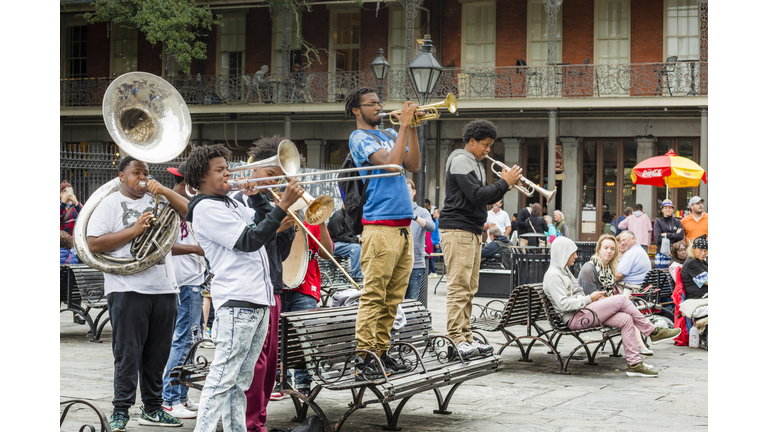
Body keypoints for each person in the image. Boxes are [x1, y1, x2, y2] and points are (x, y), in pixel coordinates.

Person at [184, 144, 304, 432]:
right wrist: (282, 205)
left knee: (241, 380)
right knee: (223, 377)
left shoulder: (233, 204)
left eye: (228, 167)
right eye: (220, 170)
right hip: (238, 300)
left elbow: (264, 229)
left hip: (258, 299)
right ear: (201, 176)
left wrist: (260, 199)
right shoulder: (205, 208)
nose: (228, 173)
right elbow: (249, 241)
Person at [87, 156, 190, 430]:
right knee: (127, 353)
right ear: (122, 176)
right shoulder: (108, 204)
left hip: (164, 287)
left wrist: (165, 190)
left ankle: (153, 409)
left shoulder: (159, 201)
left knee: (158, 353)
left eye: (146, 173)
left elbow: (189, 213)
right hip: (127, 288)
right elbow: (94, 244)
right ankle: (120, 410)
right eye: (136, 173)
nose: (143, 178)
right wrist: (134, 231)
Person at [345, 87, 420, 378]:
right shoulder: (359, 138)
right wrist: (403, 124)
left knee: (393, 297)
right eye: (371, 104)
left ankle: (382, 352)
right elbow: (391, 165)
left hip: (403, 228)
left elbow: (412, 164)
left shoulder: (390, 135)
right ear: (356, 110)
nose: (378, 107)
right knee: (374, 295)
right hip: (379, 227)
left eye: (379, 102)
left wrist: (411, 128)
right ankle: (364, 357)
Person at [230, 136, 298, 431]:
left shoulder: (274, 203)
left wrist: (286, 229)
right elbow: (246, 244)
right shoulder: (234, 201)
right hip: (247, 290)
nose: (274, 183)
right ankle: (249, 423)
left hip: (273, 286)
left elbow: (279, 254)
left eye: (280, 178)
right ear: (254, 168)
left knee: (270, 363)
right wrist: (273, 220)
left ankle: (258, 418)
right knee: (254, 362)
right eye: (271, 175)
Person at [439, 119, 522, 359]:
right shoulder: (460, 160)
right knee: (459, 287)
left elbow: (483, 198)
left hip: (471, 231)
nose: (488, 150)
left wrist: (503, 186)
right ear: (471, 141)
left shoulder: (474, 162)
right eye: (485, 145)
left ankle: (466, 338)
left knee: (469, 288)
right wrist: (504, 183)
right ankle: (455, 339)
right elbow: (477, 195)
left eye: (490, 146)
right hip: (458, 230)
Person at [543, 237, 680, 377]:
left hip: (584, 312)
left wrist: (595, 300)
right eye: (572, 253)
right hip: (575, 318)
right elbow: (563, 304)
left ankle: (635, 365)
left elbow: (576, 296)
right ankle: (652, 331)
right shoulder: (554, 276)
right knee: (621, 299)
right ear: (562, 253)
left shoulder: (564, 271)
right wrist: (590, 298)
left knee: (626, 319)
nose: (576, 256)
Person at [281, 218, 334, 397]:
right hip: (277, 286)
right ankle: (281, 380)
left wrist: (321, 223)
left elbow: (327, 253)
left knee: (304, 338)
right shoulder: (272, 219)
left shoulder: (308, 224)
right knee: (277, 338)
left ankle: (303, 383)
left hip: (304, 287)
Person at [579, 233, 655, 357]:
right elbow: (590, 299)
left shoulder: (609, 269)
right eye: (606, 248)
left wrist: (619, 297)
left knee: (627, 316)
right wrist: (618, 299)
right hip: (589, 313)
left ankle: (635, 359)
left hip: (603, 310)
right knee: (626, 306)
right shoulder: (589, 268)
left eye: (612, 249)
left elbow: (610, 294)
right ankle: (651, 333)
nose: (609, 251)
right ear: (599, 249)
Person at [405, 179, 435, 300]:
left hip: (416, 263)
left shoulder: (422, 212)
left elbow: (431, 227)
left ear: (414, 192)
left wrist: (415, 217)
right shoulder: (394, 210)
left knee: (412, 301)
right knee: (395, 302)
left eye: (408, 190)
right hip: (397, 264)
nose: (405, 194)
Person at [327, 205, 364, 282]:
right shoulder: (337, 217)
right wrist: (357, 240)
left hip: (340, 243)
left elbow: (349, 234)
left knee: (360, 246)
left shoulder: (348, 216)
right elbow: (341, 237)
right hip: (333, 245)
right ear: (344, 205)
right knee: (356, 248)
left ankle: (362, 273)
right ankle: (356, 276)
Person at [615, 231, 651, 296]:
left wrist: (607, 281)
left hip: (631, 288)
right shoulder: (639, 250)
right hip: (639, 287)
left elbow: (619, 275)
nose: (622, 243)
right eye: (621, 241)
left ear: (632, 239)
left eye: (624, 240)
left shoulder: (631, 253)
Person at [653, 199, 685, 270]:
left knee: (675, 277)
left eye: (670, 208)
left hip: (675, 255)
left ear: (672, 209)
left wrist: (666, 235)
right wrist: (674, 235)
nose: (668, 209)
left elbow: (680, 236)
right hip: (662, 254)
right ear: (662, 209)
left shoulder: (677, 222)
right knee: (662, 278)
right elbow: (658, 239)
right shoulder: (658, 223)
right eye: (665, 208)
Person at [680, 235, 708, 299]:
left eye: (705, 250)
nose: (703, 253)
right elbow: (707, 281)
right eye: (700, 250)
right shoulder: (692, 263)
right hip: (697, 297)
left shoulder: (701, 261)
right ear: (693, 249)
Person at [429, 208, 441, 277]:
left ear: (438, 214)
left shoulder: (438, 222)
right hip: (433, 242)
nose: (433, 214)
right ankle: (431, 272)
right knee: (432, 258)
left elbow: (438, 233)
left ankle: (432, 272)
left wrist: (437, 242)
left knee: (432, 259)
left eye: (435, 213)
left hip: (434, 242)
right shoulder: (436, 221)